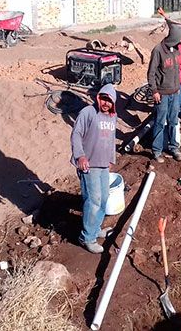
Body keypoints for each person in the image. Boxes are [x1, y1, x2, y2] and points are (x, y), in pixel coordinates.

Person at [70, 84, 117, 254]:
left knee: (103, 199)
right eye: (103, 99)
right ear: (98, 98)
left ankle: (95, 229)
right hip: (88, 164)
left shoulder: (112, 116)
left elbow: (111, 139)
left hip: (103, 164)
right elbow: (76, 134)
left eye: (109, 101)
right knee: (94, 200)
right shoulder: (88, 112)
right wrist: (80, 156)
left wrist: (112, 158)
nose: (105, 103)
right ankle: (87, 237)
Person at [147, 23, 181, 163]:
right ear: (174, 38)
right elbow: (151, 73)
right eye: (180, 39)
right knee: (160, 121)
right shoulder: (158, 50)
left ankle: (174, 147)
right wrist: (155, 91)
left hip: (175, 93)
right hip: (162, 94)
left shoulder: (175, 49)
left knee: (174, 120)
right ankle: (157, 151)